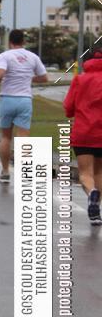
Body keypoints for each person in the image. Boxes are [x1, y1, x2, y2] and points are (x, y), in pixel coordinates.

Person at [0, 29, 48, 183]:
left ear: (10, 42)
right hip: (24, 99)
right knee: (23, 138)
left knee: (5, 137)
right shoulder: (33, 57)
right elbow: (44, 78)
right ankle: (26, 173)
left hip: (7, 99)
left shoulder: (4, 56)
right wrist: (29, 78)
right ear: (23, 41)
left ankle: (5, 171)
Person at [63, 48, 102, 225]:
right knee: (100, 172)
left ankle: (91, 193)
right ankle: (96, 211)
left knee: (86, 173)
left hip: (84, 132)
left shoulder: (80, 79)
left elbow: (69, 107)